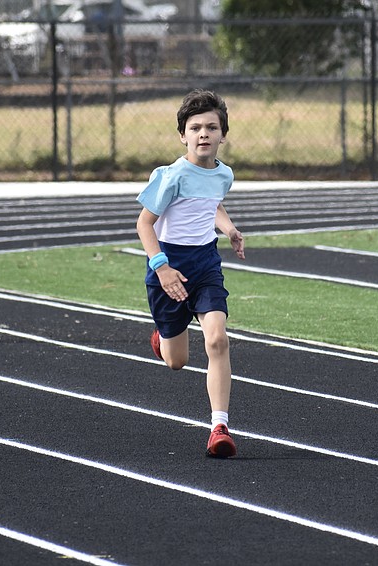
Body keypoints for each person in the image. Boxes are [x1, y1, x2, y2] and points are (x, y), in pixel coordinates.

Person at [135, 89, 245, 458]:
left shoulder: (224, 174)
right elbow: (145, 224)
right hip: (169, 267)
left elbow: (211, 205)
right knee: (176, 361)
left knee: (217, 340)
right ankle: (163, 338)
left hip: (205, 266)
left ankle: (219, 427)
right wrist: (162, 268)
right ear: (183, 135)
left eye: (211, 127)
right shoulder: (170, 176)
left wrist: (228, 228)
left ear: (222, 135)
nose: (203, 134)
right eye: (195, 127)